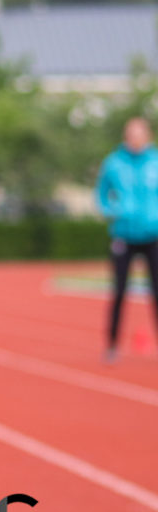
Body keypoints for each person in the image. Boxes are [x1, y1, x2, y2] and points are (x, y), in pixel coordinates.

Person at [96, 116, 158, 363]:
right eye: (131, 135)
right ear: (125, 137)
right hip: (123, 234)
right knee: (119, 291)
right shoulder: (113, 163)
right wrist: (113, 210)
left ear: (148, 136)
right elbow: (101, 194)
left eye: (140, 134)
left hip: (153, 234)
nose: (135, 139)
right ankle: (112, 345)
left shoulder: (155, 161)